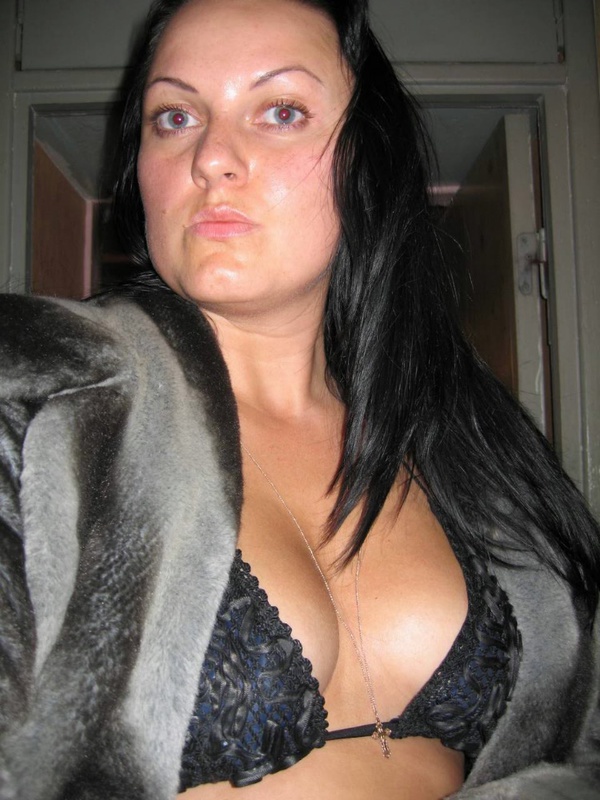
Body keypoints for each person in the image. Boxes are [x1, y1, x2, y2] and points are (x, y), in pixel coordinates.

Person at [0, 0, 598, 798]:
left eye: (281, 111)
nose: (212, 157)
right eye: (175, 116)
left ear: (367, 159)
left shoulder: (466, 440)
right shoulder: (42, 395)